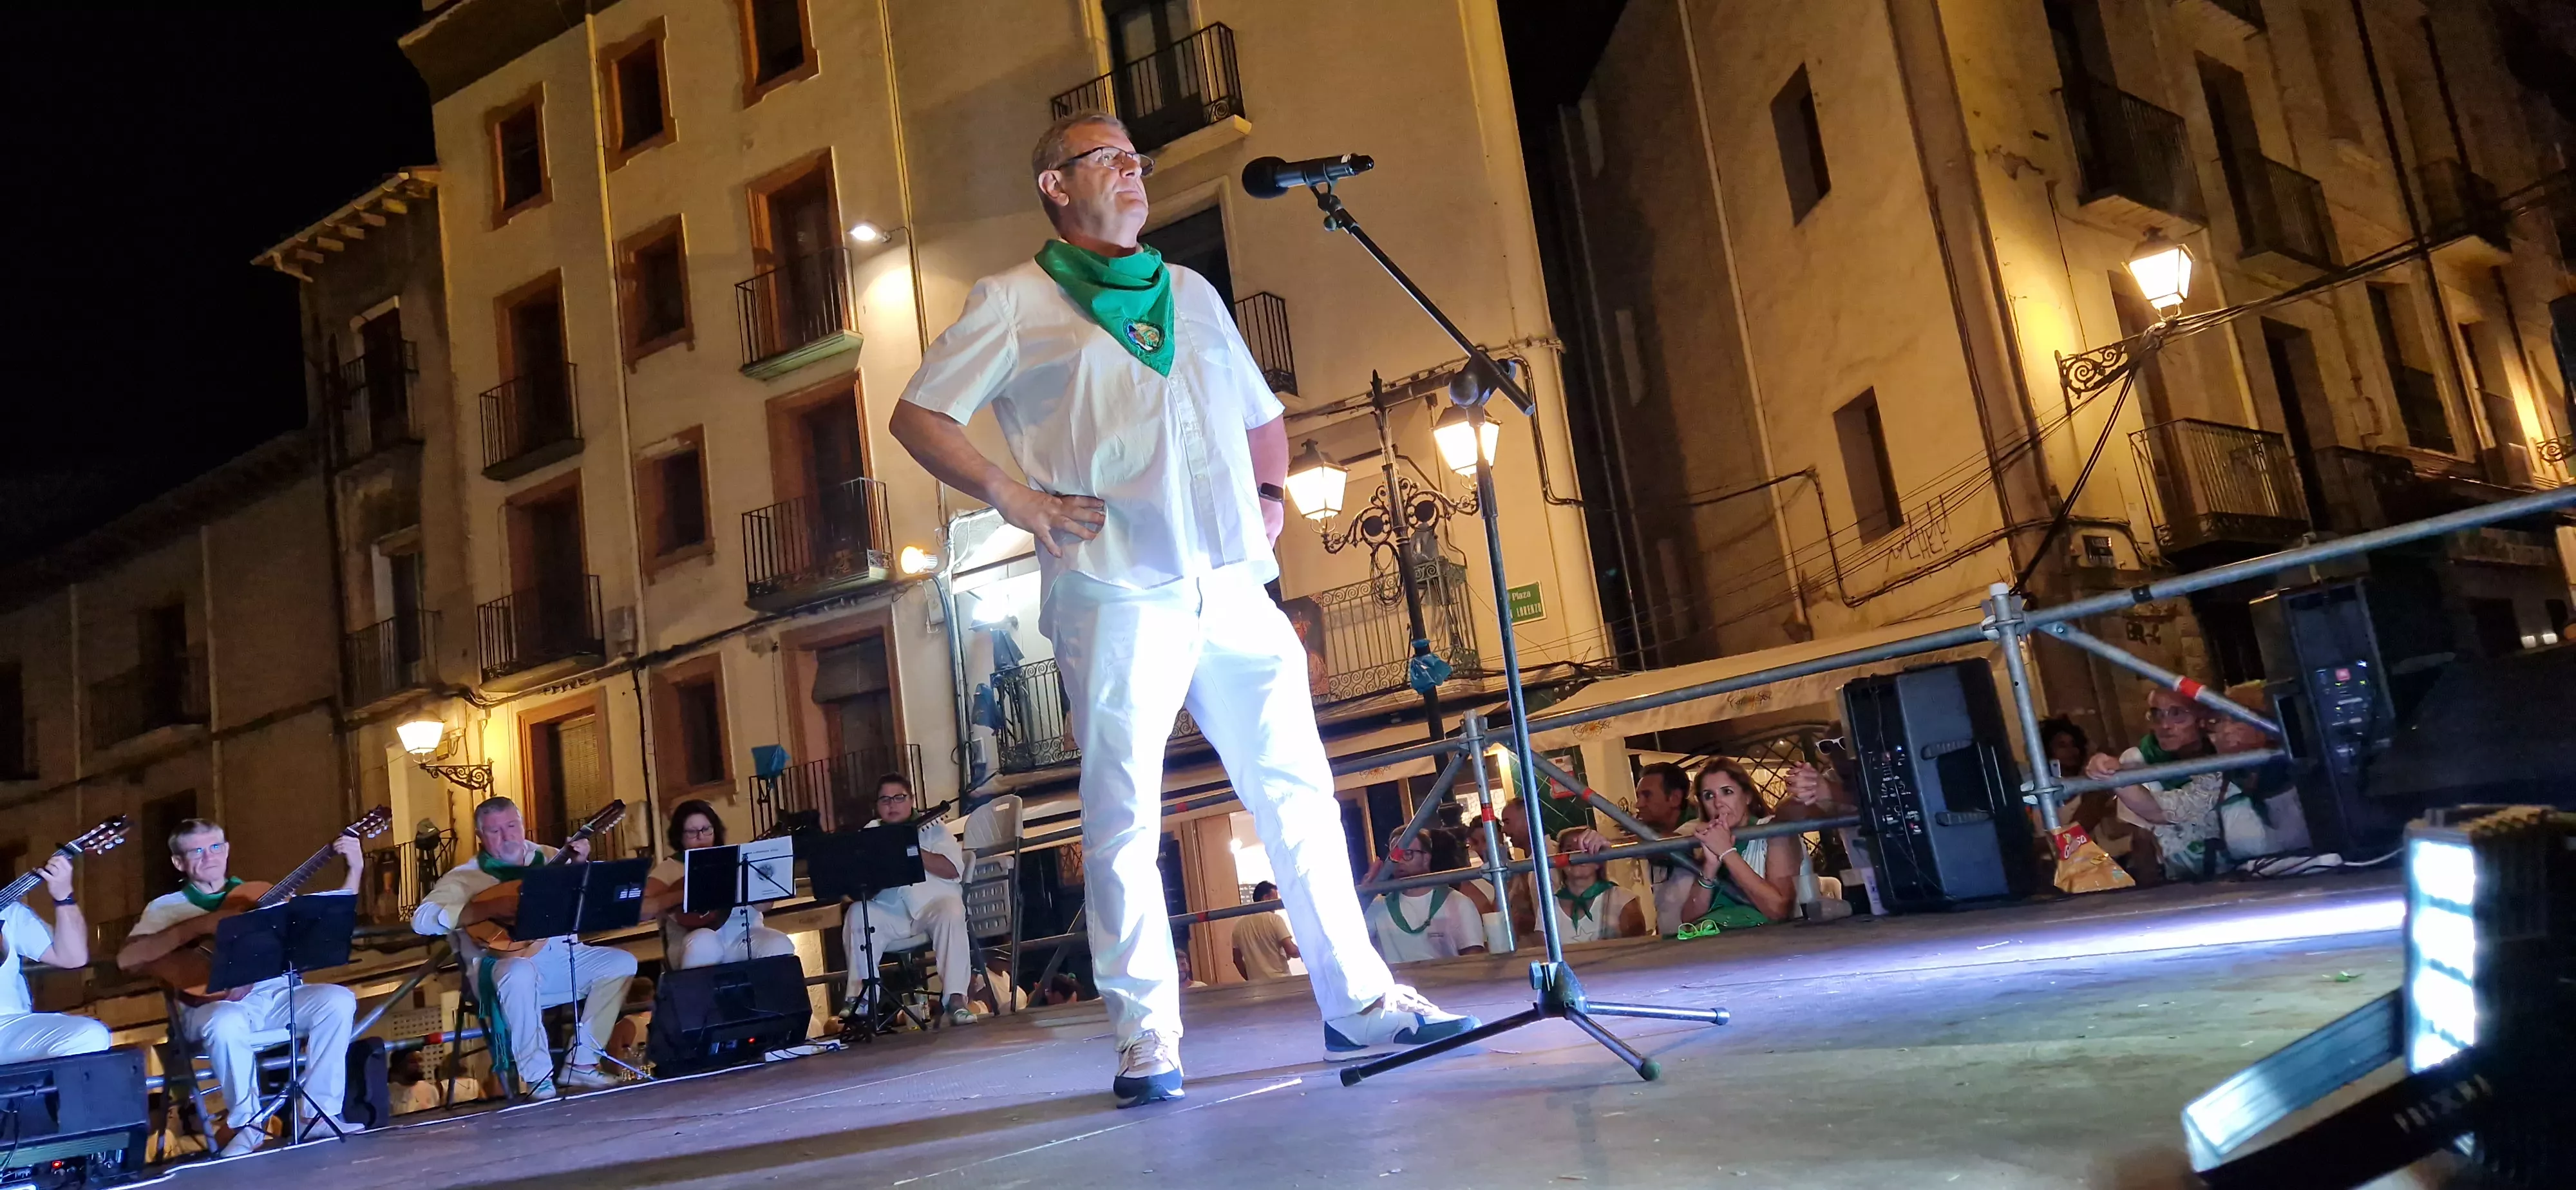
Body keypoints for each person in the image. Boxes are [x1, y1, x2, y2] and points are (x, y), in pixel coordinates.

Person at [887, 109, 1473, 1105]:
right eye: (1109, 159)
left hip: (1232, 585)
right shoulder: (1015, 300)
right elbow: (919, 412)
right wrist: (1016, 500)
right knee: (1123, 815)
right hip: (1116, 585)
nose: (1134, 171)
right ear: (1055, 185)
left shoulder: (1190, 292)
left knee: (1298, 792)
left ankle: (1361, 1001)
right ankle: (1146, 1034)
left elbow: (1260, 415)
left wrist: (1272, 499)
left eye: (1137, 158)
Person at [117, 818, 363, 1155]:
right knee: (225, 1019)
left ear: (227, 850)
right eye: (196, 851)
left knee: (338, 1000)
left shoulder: (257, 892)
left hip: (275, 996)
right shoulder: (165, 908)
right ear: (179, 862)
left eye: (215, 847)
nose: (209, 856)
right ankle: (248, 1126)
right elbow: (127, 959)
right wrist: (199, 927)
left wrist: (355, 869)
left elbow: (319, 928)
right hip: (209, 1008)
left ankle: (317, 1115)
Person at [413, 797, 637, 1100]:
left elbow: (590, 899)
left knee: (621, 963)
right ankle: (538, 1078)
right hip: (500, 971)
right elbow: (421, 921)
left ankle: (582, 1062)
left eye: (512, 826)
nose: (507, 837)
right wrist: (485, 909)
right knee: (518, 972)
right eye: (495, 831)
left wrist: (580, 865)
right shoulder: (465, 877)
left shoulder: (550, 857)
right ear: (480, 836)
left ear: (522, 824)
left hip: (560, 961)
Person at [840, 774, 974, 1028]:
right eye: (885, 800)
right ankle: (862, 999)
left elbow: (953, 869)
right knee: (857, 912)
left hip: (933, 905)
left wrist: (911, 849)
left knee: (952, 909)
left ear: (911, 800)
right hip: (891, 912)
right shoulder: (870, 833)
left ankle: (956, 999)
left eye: (899, 798)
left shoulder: (934, 827)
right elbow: (859, 884)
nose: (892, 804)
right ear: (877, 806)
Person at [2085, 685, 2230, 882]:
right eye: (2156, 715)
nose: (2165, 725)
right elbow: (2143, 834)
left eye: (2177, 714)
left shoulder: (2224, 756)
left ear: (2202, 719)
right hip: (2177, 880)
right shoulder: (2137, 759)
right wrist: (2107, 770)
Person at [646, 801, 796, 969]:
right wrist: (687, 894)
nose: (701, 837)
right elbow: (643, 909)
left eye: (706, 829)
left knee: (779, 945)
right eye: (692, 832)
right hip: (695, 939)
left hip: (744, 937)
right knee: (704, 944)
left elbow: (765, 907)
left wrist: (752, 882)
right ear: (679, 836)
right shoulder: (670, 867)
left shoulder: (740, 859)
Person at [0, 852, 110, 1064]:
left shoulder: (8, 911)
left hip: (7, 1029)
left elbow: (73, 957)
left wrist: (63, 897)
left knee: (91, 1035)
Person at [2208, 683, 2313, 863]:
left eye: (2235, 718)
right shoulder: (2220, 782)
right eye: (2220, 720)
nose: (2224, 731)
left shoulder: (2301, 778)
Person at [1362, 845, 1487, 963]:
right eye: (1394, 855)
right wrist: (1365, 892)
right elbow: (1351, 943)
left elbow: (1474, 961)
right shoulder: (1378, 907)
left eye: (1408, 854)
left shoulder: (1458, 902)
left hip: (1447, 979)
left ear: (1426, 858)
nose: (1399, 860)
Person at [1549, 829, 1646, 943]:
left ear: (1599, 862)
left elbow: (1638, 947)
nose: (1577, 856)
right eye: (1569, 850)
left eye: (1585, 850)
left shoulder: (1624, 899)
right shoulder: (1549, 905)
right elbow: (1543, 949)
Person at [1229, 881, 1298, 981]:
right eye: (1275, 900)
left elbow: (1237, 960)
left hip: (1257, 985)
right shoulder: (1274, 919)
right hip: (1281, 982)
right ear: (1266, 898)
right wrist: (1307, 952)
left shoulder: (1239, 925)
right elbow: (1291, 951)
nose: (1277, 905)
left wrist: (1250, 979)